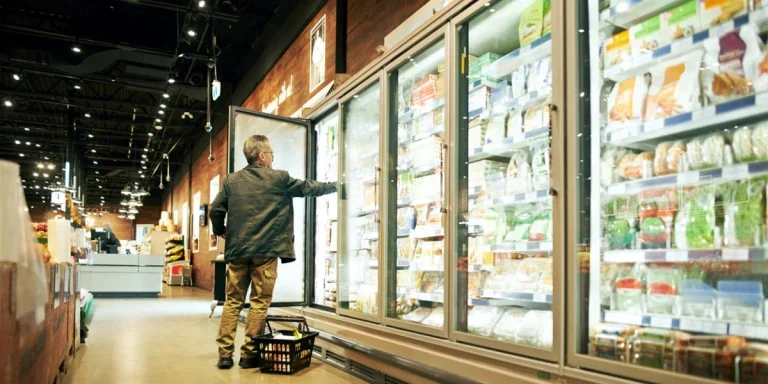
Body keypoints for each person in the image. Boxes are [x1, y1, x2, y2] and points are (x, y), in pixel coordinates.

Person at [209, 134, 337, 370]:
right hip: (266, 252)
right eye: (272, 153)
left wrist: (222, 230)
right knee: (259, 302)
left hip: (237, 252)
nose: (273, 157)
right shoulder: (280, 178)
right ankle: (249, 355)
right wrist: (335, 186)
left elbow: (215, 210)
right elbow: (309, 188)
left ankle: (224, 355)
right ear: (262, 156)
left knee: (232, 302)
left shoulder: (231, 181)